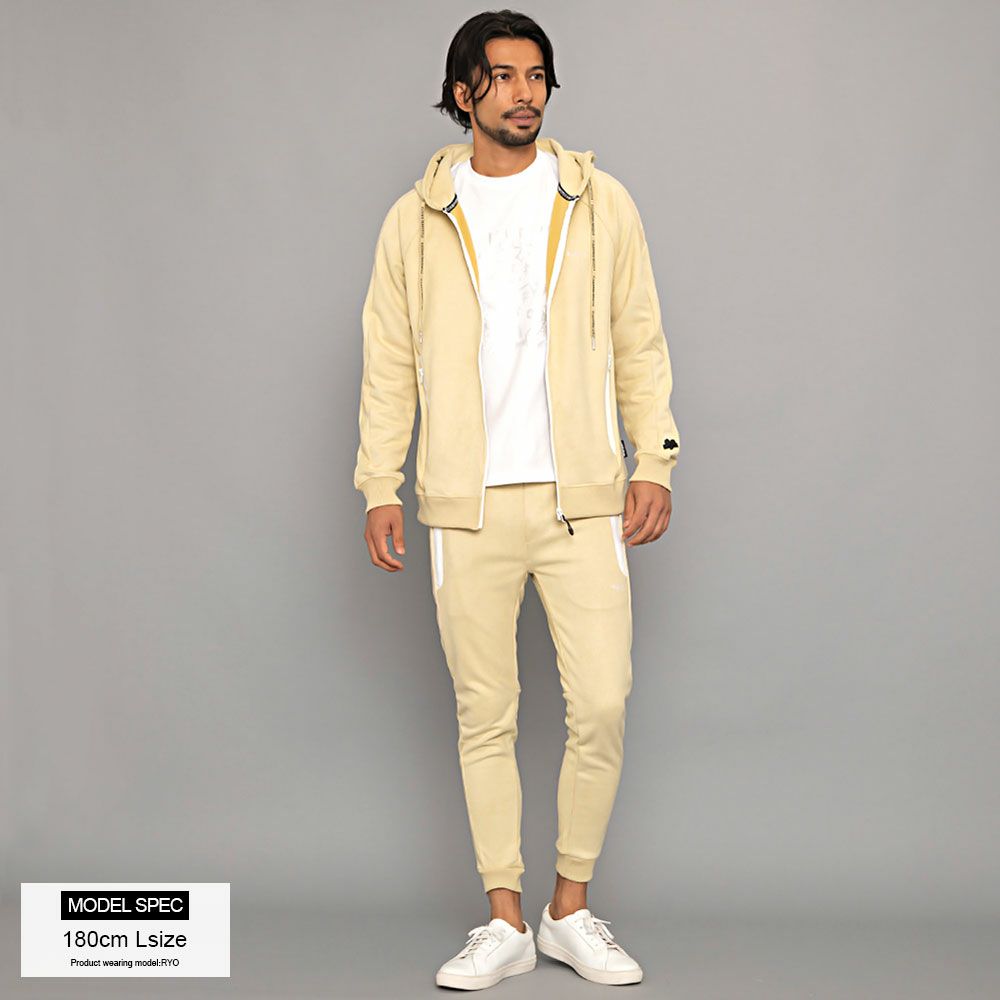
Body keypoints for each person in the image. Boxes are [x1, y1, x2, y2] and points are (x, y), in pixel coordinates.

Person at [353, 9, 680, 990]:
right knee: (483, 714)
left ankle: (568, 909)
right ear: (463, 93)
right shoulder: (415, 219)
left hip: (583, 499)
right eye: (501, 77)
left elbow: (639, 336)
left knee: (602, 702)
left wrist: (654, 459)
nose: (523, 93)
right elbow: (388, 361)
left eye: (536, 75)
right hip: (467, 506)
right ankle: (503, 920)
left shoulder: (599, 201)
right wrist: (380, 482)